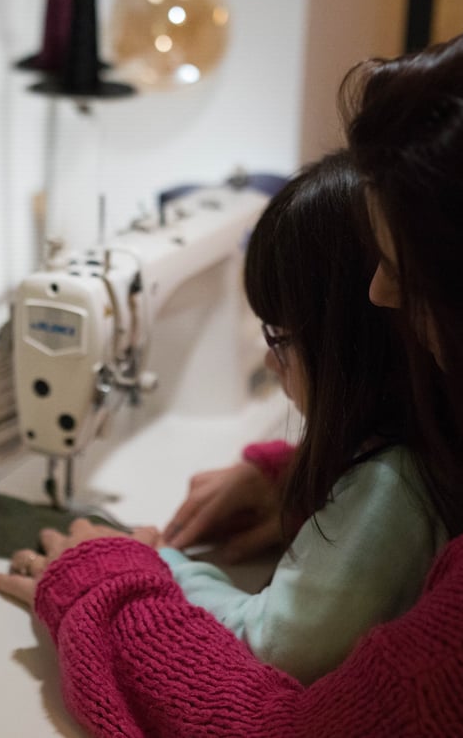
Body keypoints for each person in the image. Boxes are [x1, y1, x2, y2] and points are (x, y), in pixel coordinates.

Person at [0, 11, 463, 737]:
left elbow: (283, 715)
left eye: (403, 269)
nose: (381, 294)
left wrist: (127, 581)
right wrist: (299, 477)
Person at [154, 150, 444, 685]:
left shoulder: (392, 487)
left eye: (281, 339)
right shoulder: (432, 450)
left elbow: (274, 647)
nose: (271, 362)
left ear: (353, 346)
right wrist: (292, 481)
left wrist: (157, 566)